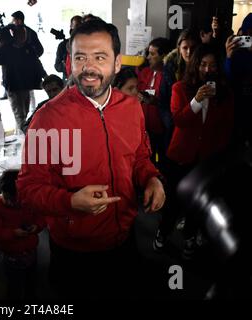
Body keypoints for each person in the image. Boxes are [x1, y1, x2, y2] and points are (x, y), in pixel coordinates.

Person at [16, 19, 165, 299]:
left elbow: (140, 156)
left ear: (117, 63)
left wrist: (151, 178)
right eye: (80, 57)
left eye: (100, 57)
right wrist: (69, 202)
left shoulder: (132, 107)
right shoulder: (46, 118)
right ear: (69, 62)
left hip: (125, 239)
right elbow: (27, 189)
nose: (89, 67)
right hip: (74, 253)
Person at [153, 44, 234, 259]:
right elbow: (179, 120)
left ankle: (189, 236)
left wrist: (217, 157)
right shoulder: (180, 88)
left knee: (198, 204)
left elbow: (226, 127)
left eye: (213, 65)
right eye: (203, 64)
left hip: (206, 159)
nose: (207, 70)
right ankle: (163, 232)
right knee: (174, 201)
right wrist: (196, 100)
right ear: (195, 64)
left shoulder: (224, 93)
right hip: (180, 156)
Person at [0, 170, 45, 299]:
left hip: (31, 252)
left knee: (32, 282)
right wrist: (12, 233)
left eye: (16, 200)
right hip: (11, 256)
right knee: (14, 286)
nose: (11, 203)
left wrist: (37, 226)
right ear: (2, 192)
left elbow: (41, 217)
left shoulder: (28, 202)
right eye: (8, 198)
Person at [0, 24, 46, 130]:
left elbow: (36, 63)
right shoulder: (6, 48)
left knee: (25, 113)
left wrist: (45, 76)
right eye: (21, 34)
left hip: (26, 85)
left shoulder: (28, 48)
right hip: (12, 86)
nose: (23, 36)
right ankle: (23, 136)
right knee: (19, 115)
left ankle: (20, 134)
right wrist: (1, 42)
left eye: (24, 34)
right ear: (15, 35)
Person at [159, 29, 200, 151]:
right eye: (185, 48)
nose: (189, 52)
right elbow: (163, 100)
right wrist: (170, 123)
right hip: (174, 124)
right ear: (179, 49)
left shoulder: (204, 68)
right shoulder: (170, 69)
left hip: (196, 124)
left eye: (193, 47)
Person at [136, 37, 172, 166]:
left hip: (162, 128)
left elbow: (170, 103)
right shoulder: (144, 72)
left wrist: (155, 101)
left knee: (161, 160)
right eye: (148, 53)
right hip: (144, 126)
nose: (148, 57)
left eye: (152, 54)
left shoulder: (169, 77)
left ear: (163, 56)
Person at [225, 13, 252, 142]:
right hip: (236, 103)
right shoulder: (237, 52)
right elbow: (227, 79)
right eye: (248, 33)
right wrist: (229, 57)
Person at [54, 15, 82, 80]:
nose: (79, 28)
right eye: (77, 25)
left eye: (81, 25)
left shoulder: (89, 44)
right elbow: (57, 66)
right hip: (68, 79)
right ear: (71, 27)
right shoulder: (63, 45)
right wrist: (66, 65)